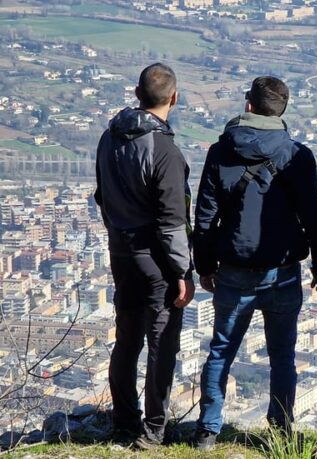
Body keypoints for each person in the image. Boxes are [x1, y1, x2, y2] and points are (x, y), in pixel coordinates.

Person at [192, 76, 317, 451]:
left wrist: (203, 265)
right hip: (283, 272)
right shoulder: (297, 155)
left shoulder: (220, 152)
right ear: (282, 109)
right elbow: (314, 216)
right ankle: (281, 430)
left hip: (234, 270)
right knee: (283, 355)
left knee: (221, 350)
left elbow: (205, 217)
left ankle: (208, 429)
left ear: (249, 105)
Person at [94, 63, 195, 449]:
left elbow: (102, 195)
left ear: (138, 94)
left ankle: (123, 423)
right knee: (161, 342)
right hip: (156, 260)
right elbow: (172, 222)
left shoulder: (109, 138)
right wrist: (182, 270)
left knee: (127, 339)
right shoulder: (164, 150)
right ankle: (153, 432)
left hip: (121, 250)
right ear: (174, 97)